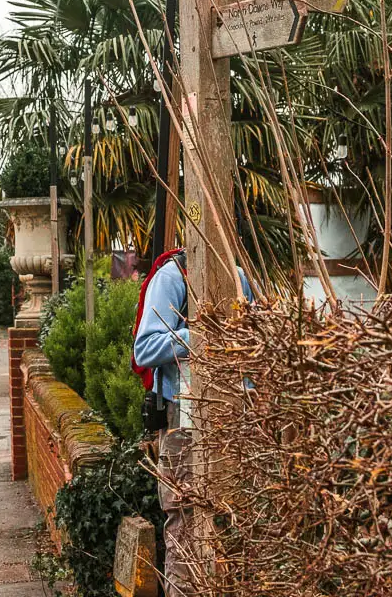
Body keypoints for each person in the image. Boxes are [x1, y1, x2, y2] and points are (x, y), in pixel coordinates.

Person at [133, 255, 253, 597]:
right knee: (184, 521)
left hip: (231, 417)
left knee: (232, 519)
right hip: (181, 421)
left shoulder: (240, 277)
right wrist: (200, 335)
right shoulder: (173, 277)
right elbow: (145, 348)